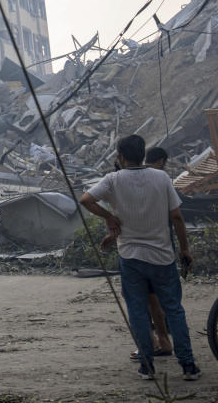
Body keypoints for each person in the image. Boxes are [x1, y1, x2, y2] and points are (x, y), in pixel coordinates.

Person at [81, 135, 200, 381]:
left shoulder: (113, 180)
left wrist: (109, 218)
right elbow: (177, 218)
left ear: (121, 157)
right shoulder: (162, 178)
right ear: (142, 155)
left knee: (137, 311)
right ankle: (188, 366)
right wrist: (184, 249)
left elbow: (86, 200)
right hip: (162, 257)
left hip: (131, 258)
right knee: (174, 310)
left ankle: (147, 366)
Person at [101, 147, 175, 361]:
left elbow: (129, 218)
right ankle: (165, 342)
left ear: (123, 159)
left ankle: (149, 345)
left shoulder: (124, 181)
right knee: (154, 300)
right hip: (160, 250)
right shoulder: (160, 179)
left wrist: (111, 227)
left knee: (137, 301)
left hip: (135, 253)